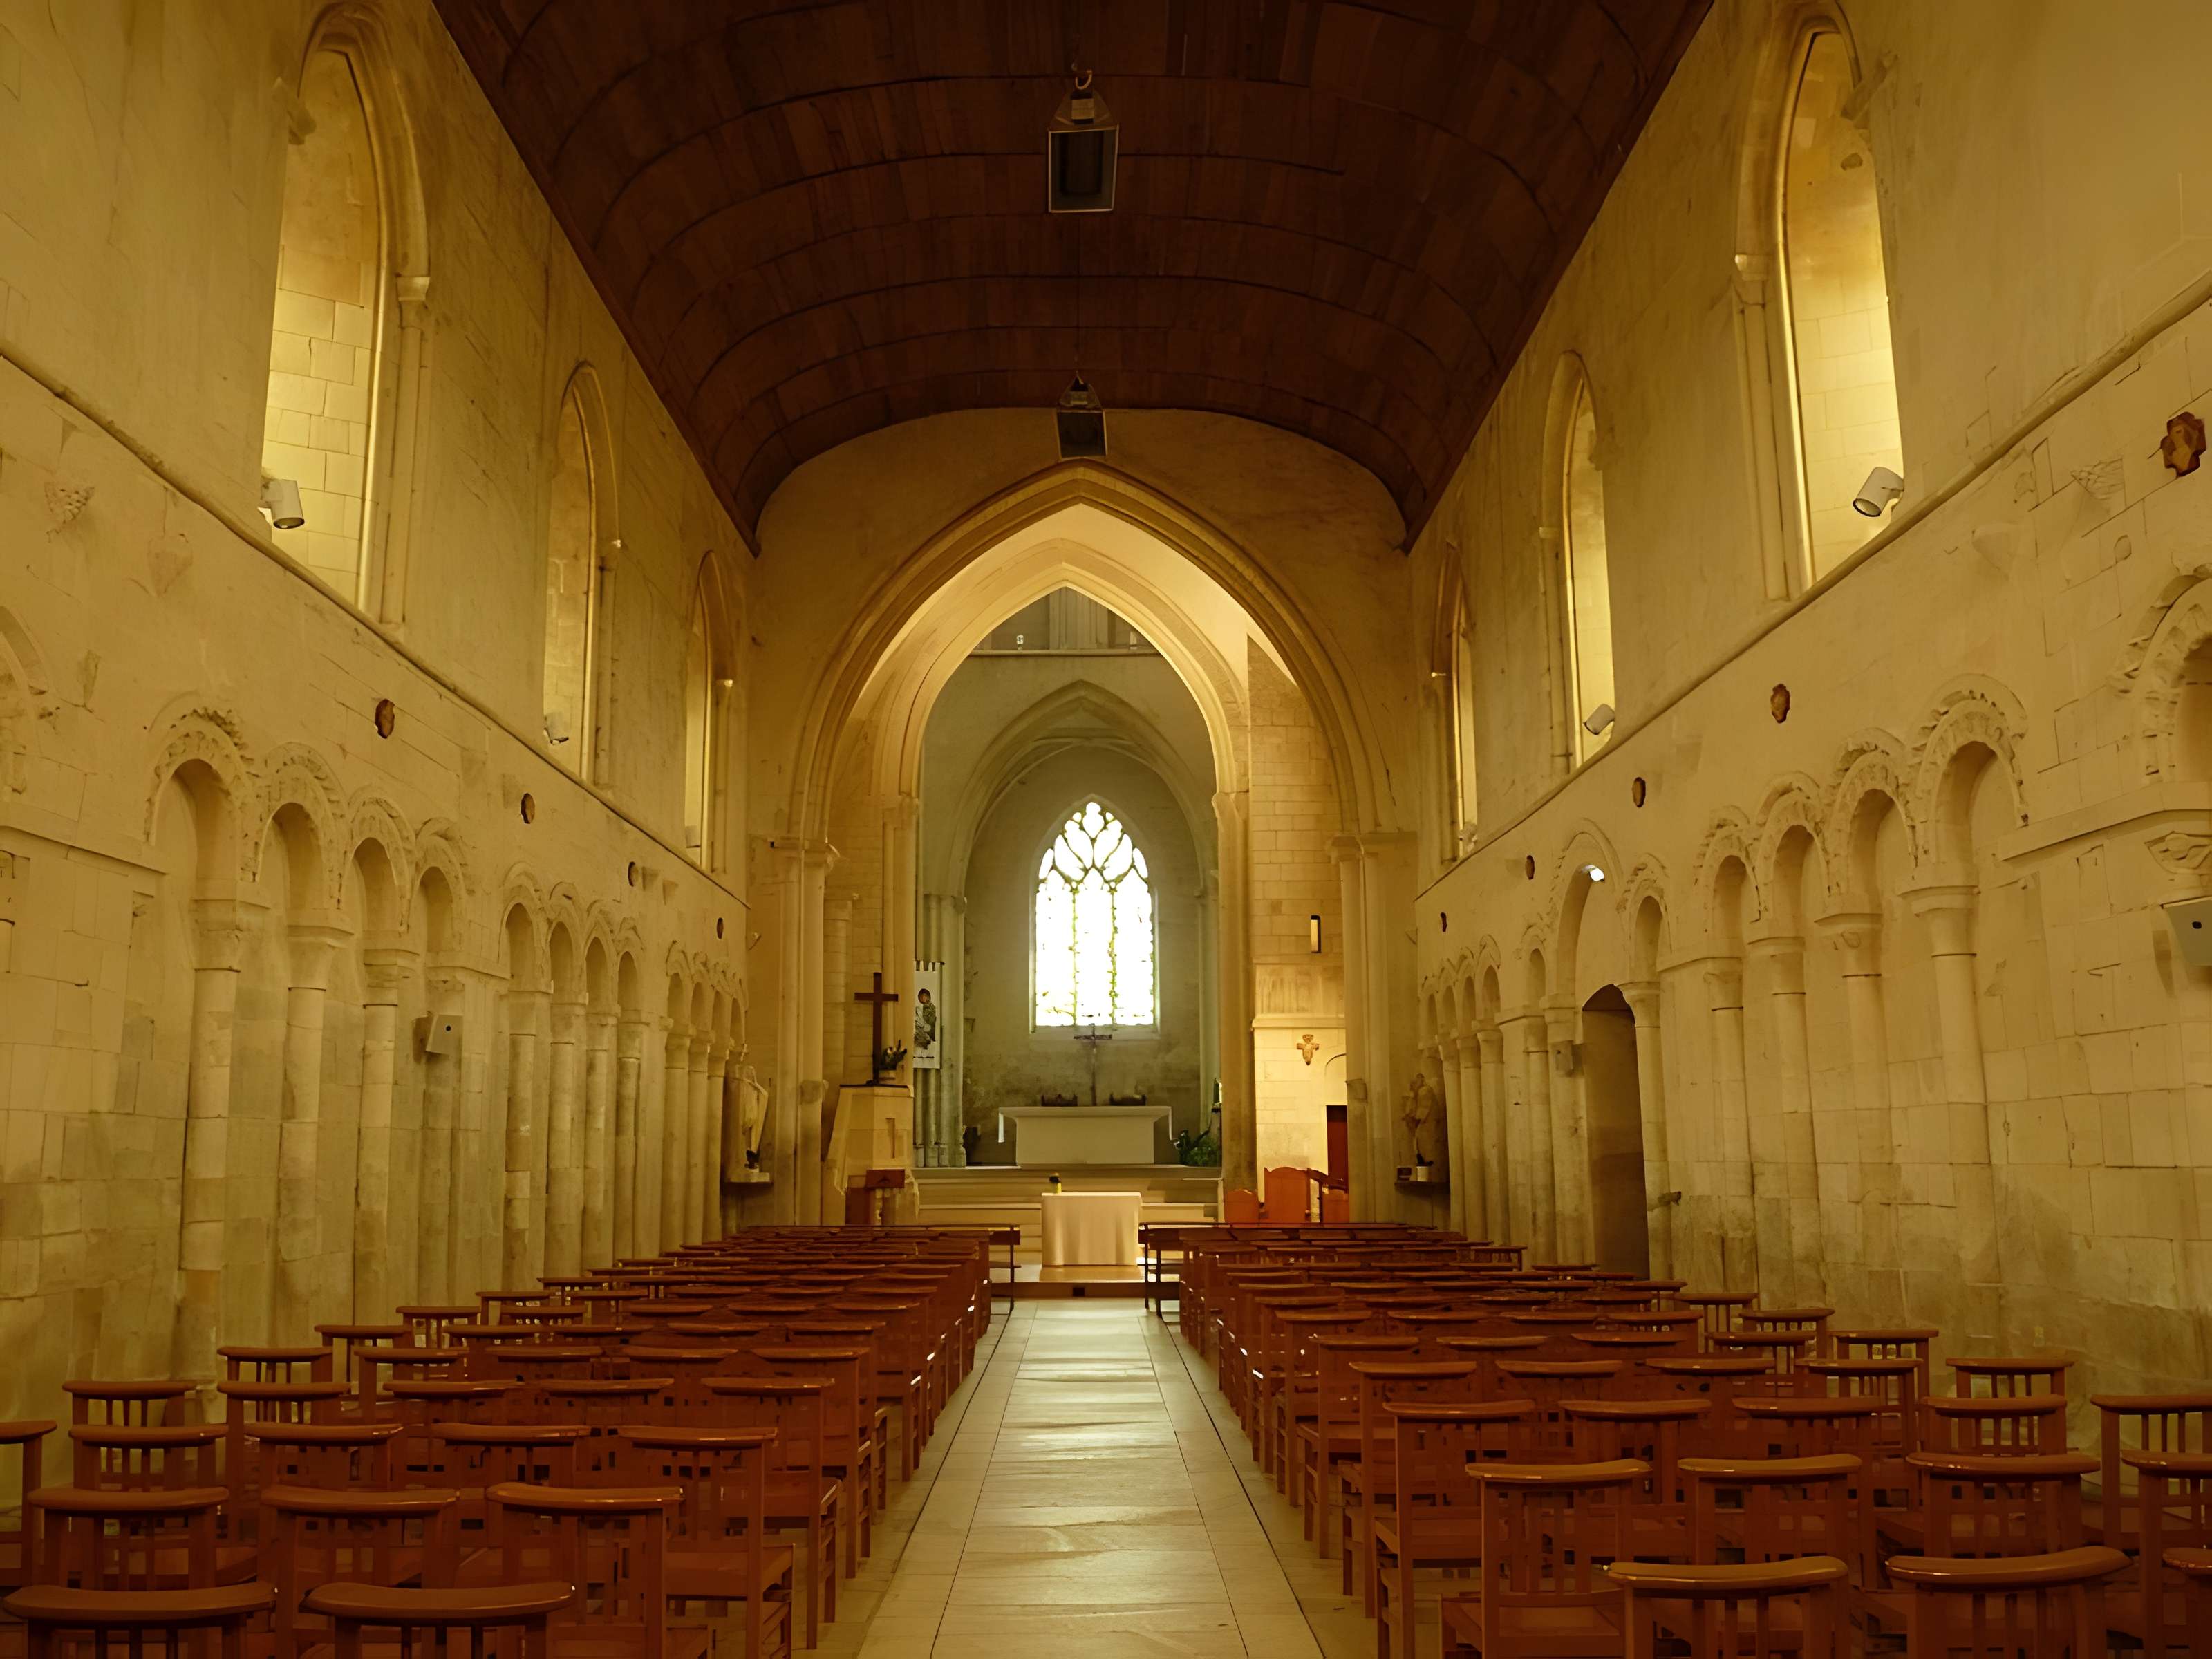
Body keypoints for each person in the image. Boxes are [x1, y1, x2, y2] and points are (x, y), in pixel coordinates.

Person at [913, 986, 938, 1053]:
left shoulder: (931, 1007)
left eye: (924, 996)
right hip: (925, 1029)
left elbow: (931, 1022)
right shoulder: (922, 1007)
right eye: (921, 996)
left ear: (928, 997)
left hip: (930, 1030)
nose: (922, 998)